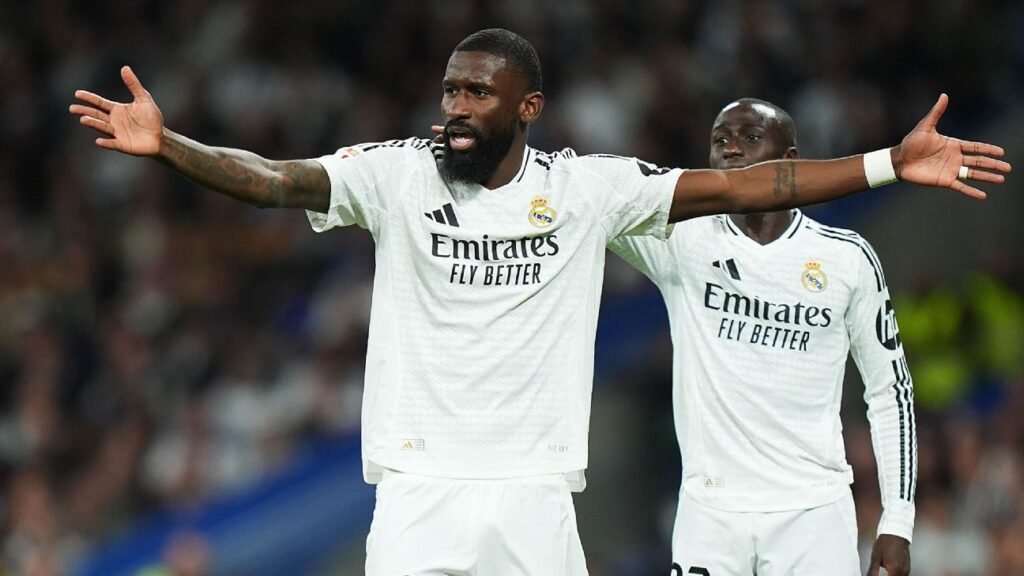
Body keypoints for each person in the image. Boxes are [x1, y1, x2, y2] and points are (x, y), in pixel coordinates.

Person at [69, 28, 1008, 576]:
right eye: (451, 90)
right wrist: (173, 146)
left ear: (528, 108)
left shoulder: (588, 190)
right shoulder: (395, 176)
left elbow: (743, 188)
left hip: (535, 493)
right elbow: (276, 179)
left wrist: (889, 163)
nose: (457, 105)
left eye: (479, 92)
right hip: (419, 487)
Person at [609, 99, 924, 576]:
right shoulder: (681, 241)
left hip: (813, 513)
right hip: (709, 512)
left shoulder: (846, 258)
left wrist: (897, 520)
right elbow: (597, 205)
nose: (731, 148)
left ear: (790, 160)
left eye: (751, 137)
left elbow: (890, 391)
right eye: (720, 139)